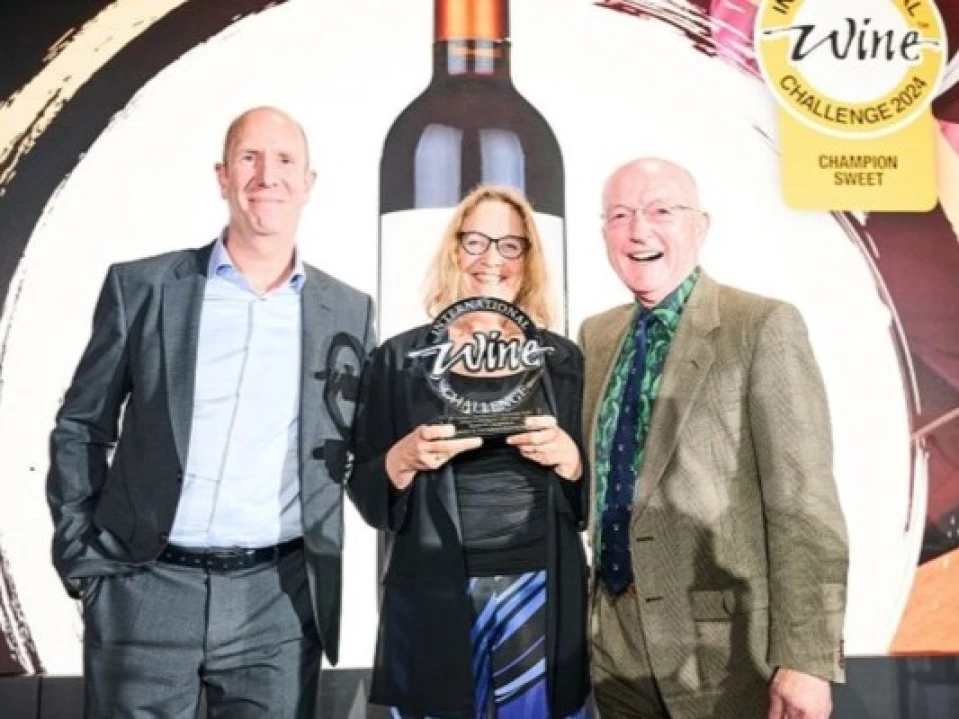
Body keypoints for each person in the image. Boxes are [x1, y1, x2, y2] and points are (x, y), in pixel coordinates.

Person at [46, 106, 375, 718]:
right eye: (250, 158)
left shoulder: (350, 310)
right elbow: (81, 426)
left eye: (285, 161)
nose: (267, 175)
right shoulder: (142, 288)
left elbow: (358, 449)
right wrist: (81, 554)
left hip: (278, 602)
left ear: (308, 183)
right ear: (223, 177)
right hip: (144, 589)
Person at [580, 158, 849, 719]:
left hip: (726, 654)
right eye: (620, 215)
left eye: (661, 211)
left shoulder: (762, 325)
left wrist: (807, 660)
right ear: (604, 231)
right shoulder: (596, 335)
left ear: (700, 225)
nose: (638, 230)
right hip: (613, 648)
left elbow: (804, 505)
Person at [348, 184, 590, 719]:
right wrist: (403, 458)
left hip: (539, 593)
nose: (491, 260)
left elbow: (592, 497)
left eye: (510, 245)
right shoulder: (399, 359)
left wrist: (571, 460)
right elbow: (365, 493)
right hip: (432, 596)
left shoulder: (562, 361)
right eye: (475, 241)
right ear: (453, 249)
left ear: (529, 258)